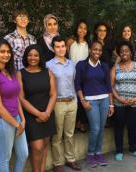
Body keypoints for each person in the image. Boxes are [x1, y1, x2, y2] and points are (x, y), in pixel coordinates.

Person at [0, 39, 28, 172]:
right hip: (1, 120)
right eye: (2, 51)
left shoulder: (10, 71)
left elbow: (16, 97)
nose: (6, 54)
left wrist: (22, 118)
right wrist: (16, 124)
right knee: (5, 157)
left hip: (17, 118)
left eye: (8, 51)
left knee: (24, 154)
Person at [17, 45, 57, 172]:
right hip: (31, 115)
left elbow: (53, 94)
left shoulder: (48, 72)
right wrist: (39, 114)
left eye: (36, 55)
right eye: (30, 55)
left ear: (40, 57)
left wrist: (47, 113)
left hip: (48, 113)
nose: (32, 58)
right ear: (26, 57)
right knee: (37, 147)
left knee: (45, 145)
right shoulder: (20, 73)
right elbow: (21, 98)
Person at [75, 41, 114, 167]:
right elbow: (77, 85)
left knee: (101, 128)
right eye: (94, 49)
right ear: (90, 50)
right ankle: (91, 154)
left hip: (104, 100)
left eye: (99, 50)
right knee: (95, 128)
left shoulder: (104, 66)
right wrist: (83, 101)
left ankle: (98, 152)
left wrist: (111, 104)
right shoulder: (81, 65)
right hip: (90, 101)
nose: (97, 52)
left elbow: (109, 86)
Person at [46, 36, 81, 172]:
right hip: (58, 103)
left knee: (70, 134)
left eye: (62, 46)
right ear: (53, 48)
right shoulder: (49, 65)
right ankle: (57, 163)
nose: (61, 49)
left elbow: (74, 83)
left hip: (72, 102)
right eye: (57, 46)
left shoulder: (71, 64)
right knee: (57, 135)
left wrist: (76, 101)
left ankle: (70, 159)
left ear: (66, 48)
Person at [111, 41, 136, 161]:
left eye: (126, 51)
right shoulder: (115, 68)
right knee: (119, 127)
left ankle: (133, 149)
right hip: (119, 103)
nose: (124, 53)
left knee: (133, 127)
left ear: (130, 52)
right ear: (119, 54)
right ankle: (119, 150)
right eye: (121, 51)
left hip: (135, 103)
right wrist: (119, 98)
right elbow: (111, 86)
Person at [69, 19, 90, 132]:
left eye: (85, 28)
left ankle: (81, 122)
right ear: (76, 29)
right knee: (74, 100)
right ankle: (74, 122)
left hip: (84, 75)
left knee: (83, 99)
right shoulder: (70, 42)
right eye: (80, 27)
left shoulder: (88, 44)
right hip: (71, 74)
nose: (82, 30)